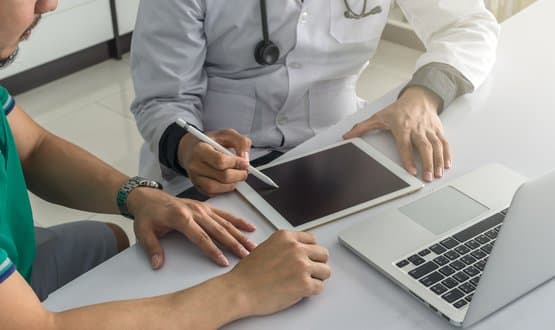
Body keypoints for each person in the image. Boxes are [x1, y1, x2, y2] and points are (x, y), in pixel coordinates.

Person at [0, 0, 331, 328]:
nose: (49, 4)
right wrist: (240, 290)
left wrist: (138, 196)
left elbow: (34, 148)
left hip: (22, 255)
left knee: (108, 240)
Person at [131, 0, 500, 199]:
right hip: (220, 162)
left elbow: (467, 23)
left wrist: (423, 95)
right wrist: (188, 148)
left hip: (337, 141)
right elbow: (162, 99)